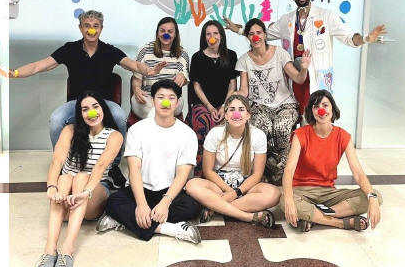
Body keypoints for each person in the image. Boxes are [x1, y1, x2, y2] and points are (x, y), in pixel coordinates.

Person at [0, 9, 165, 152]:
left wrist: (148, 71)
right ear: (80, 28)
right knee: (56, 119)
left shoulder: (110, 51)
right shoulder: (70, 49)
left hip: (103, 102)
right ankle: (62, 160)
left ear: (101, 29)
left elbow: (134, 65)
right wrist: (14, 73)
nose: (91, 30)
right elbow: (38, 66)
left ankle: (114, 163)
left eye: (96, 26)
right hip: (77, 103)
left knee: (119, 117)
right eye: (87, 26)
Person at [224, 0, 387, 114]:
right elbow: (262, 34)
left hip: (317, 75)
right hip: (295, 76)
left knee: (316, 113)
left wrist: (366, 38)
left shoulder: (326, 16)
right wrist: (238, 30)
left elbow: (349, 38)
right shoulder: (286, 20)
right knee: (297, 113)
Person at [33, 91, 123, 267]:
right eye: (85, 109)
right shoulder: (70, 130)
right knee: (65, 178)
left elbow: (100, 167)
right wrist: (52, 187)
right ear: (80, 113)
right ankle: (49, 251)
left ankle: (67, 250)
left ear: (103, 109)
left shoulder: (114, 136)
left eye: (95, 107)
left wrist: (86, 192)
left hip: (92, 196)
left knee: (81, 176)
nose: (91, 113)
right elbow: (57, 161)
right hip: (66, 198)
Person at [96, 79, 201, 244]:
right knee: (112, 202)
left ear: (178, 103)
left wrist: (165, 203)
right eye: (160, 97)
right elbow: (134, 169)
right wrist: (141, 204)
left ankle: (125, 220)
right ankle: (169, 229)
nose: (166, 102)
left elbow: (182, 174)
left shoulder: (188, 134)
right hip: (140, 189)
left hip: (168, 192)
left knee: (192, 206)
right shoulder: (137, 130)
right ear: (153, 101)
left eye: (171, 98)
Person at [282, 89, 383, 233]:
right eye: (316, 107)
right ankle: (340, 223)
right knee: (284, 200)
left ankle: (315, 217)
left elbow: (358, 173)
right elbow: (289, 170)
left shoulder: (343, 136)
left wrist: (371, 198)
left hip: (329, 193)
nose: (321, 110)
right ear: (311, 111)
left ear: (332, 108)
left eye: (325, 105)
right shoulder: (300, 135)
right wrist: (288, 200)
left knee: (376, 196)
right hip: (301, 191)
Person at [185, 94, 280, 227]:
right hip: (219, 185)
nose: (236, 114)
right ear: (226, 115)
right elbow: (208, 171)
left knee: (274, 194)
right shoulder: (215, 134)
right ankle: (247, 216)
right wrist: (229, 192)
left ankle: (215, 208)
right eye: (232, 109)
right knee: (191, 185)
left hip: (246, 186)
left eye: (241, 110)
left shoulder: (258, 135)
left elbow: (257, 174)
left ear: (248, 115)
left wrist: (237, 192)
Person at [236, 18, 311, 184]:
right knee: (262, 130)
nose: (256, 37)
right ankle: (264, 171)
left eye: (259, 32)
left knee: (281, 128)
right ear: (247, 37)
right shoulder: (243, 60)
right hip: (258, 106)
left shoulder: (280, 54)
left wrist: (304, 68)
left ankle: (283, 173)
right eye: (251, 34)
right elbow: (244, 91)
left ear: (265, 34)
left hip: (285, 104)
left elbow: (299, 79)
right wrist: (232, 99)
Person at [187, 20, 239, 176]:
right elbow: (196, 86)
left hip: (225, 104)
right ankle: (202, 171)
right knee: (205, 120)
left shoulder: (231, 55)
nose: (212, 37)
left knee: (230, 121)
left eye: (215, 33)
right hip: (203, 104)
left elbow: (232, 84)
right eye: (208, 34)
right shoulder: (197, 57)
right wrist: (210, 107)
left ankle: (224, 170)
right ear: (204, 37)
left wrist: (224, 106)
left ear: (221, 36)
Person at [131, 16, 189, 119]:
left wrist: (182, 77)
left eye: (170, 31)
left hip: (171, 98)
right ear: (157, 33)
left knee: (171, 105)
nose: (166, 34)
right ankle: (160, 121)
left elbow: (184, 78)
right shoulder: (145, 50)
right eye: (162, 31)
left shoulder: (182, 53)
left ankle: (155, 121)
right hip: (148, 97)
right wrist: (136, 89)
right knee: (142, 104)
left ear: (175, 34)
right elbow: (137, 78)